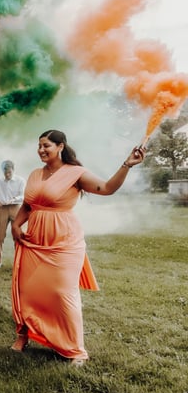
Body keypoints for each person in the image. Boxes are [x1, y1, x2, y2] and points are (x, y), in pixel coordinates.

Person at [10, 130, 145, 365]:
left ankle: (75, 349)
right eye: (39, 146)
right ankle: (24, 335)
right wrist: (15, 225)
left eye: (46, 145)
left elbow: (107, 188)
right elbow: (28, 205)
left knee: (63, 293)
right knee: (28, 290)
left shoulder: (76, 173)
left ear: (60, 146)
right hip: (34, 241)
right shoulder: (34, 174)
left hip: (64, 242)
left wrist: (127, 164)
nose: (41, 150)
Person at [0, 160, 26, 269]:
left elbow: (23, 196)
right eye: (5, 172)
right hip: (2, 209)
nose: (7, 175)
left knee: (17, 235)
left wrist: (14, 199)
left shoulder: (20, 180)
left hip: (16, 207)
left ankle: (19, 261)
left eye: (9, 172)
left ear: (13, 170)